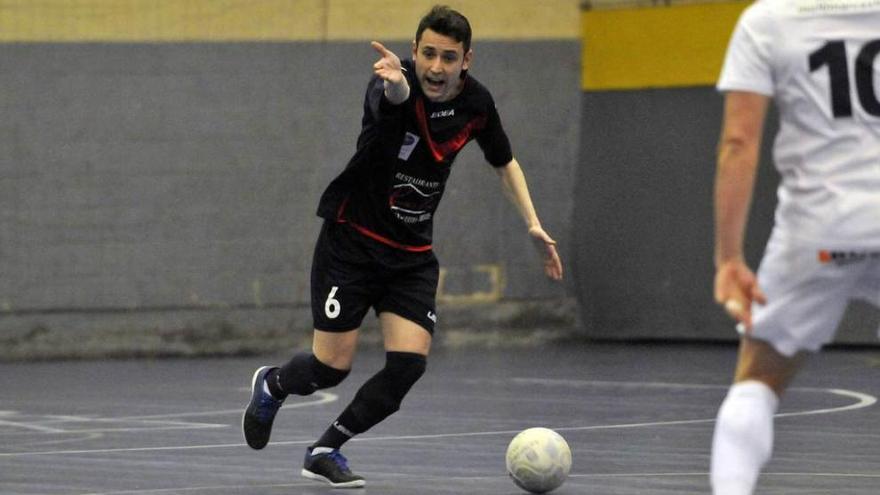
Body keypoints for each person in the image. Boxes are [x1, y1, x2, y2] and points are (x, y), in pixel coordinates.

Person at [241, 5, 563, 489]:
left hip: (410, 256)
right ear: (414, 51)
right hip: (352, 243)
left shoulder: (477, 104)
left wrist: (534, 224)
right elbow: (394, 97)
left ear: (466, 60)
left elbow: (505, 162)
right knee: (331, 368)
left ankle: (325, 449)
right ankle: (274, 384)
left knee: (408, 366)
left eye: (448, 57)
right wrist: (396, 82)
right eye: (428, 54)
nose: (436, 66)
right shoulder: (391, 85)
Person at [710, 0, 880, 493]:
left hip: (821, 229)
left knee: (757, 382)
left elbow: (739, 143)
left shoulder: (769, 21)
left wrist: (728, 257)